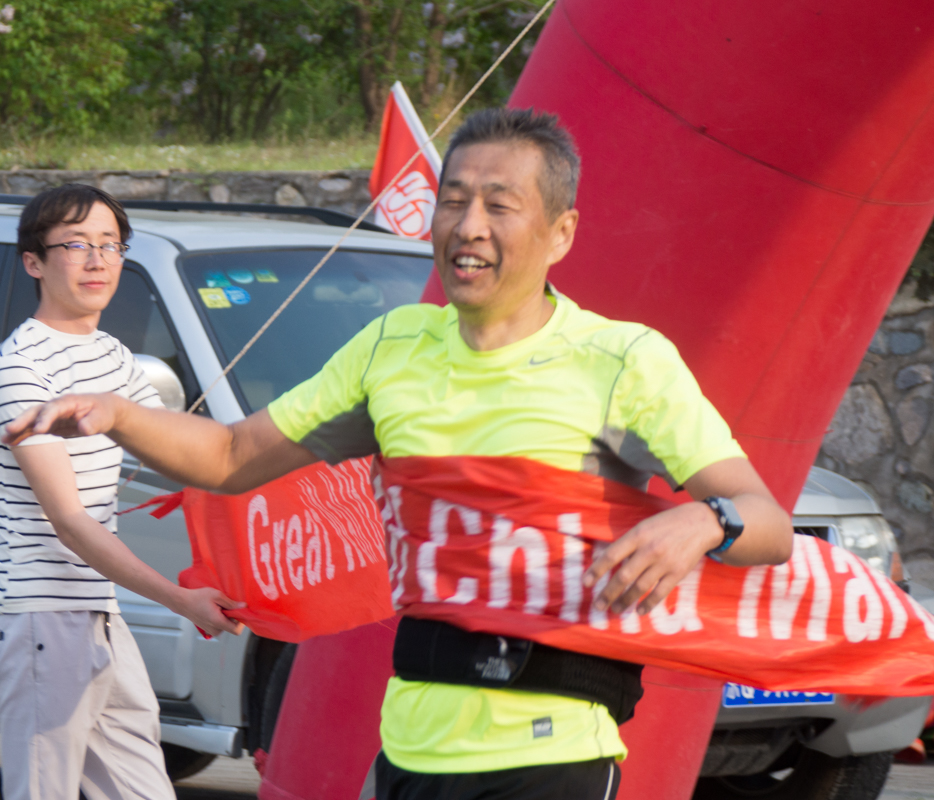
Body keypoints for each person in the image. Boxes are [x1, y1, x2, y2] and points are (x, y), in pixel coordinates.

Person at [4, 111, 793, 800]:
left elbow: (767, 523)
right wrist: (118, 414)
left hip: (556, 753)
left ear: (561, 232)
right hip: (413, 747)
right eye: (454, 200)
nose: (469, 225)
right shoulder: (393, 346)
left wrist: (704, 521)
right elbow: (232, 454)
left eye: (499, 205)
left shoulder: (624, 360)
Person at [0, 185, 244, 800]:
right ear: (33, 262)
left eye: (110, 245)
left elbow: (185, 450)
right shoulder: (22, 370)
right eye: (76, 245)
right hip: (41, 616)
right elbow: (70, 523)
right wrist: (181, 600)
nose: (97, 260)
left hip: (101, 615)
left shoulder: (113, 356)